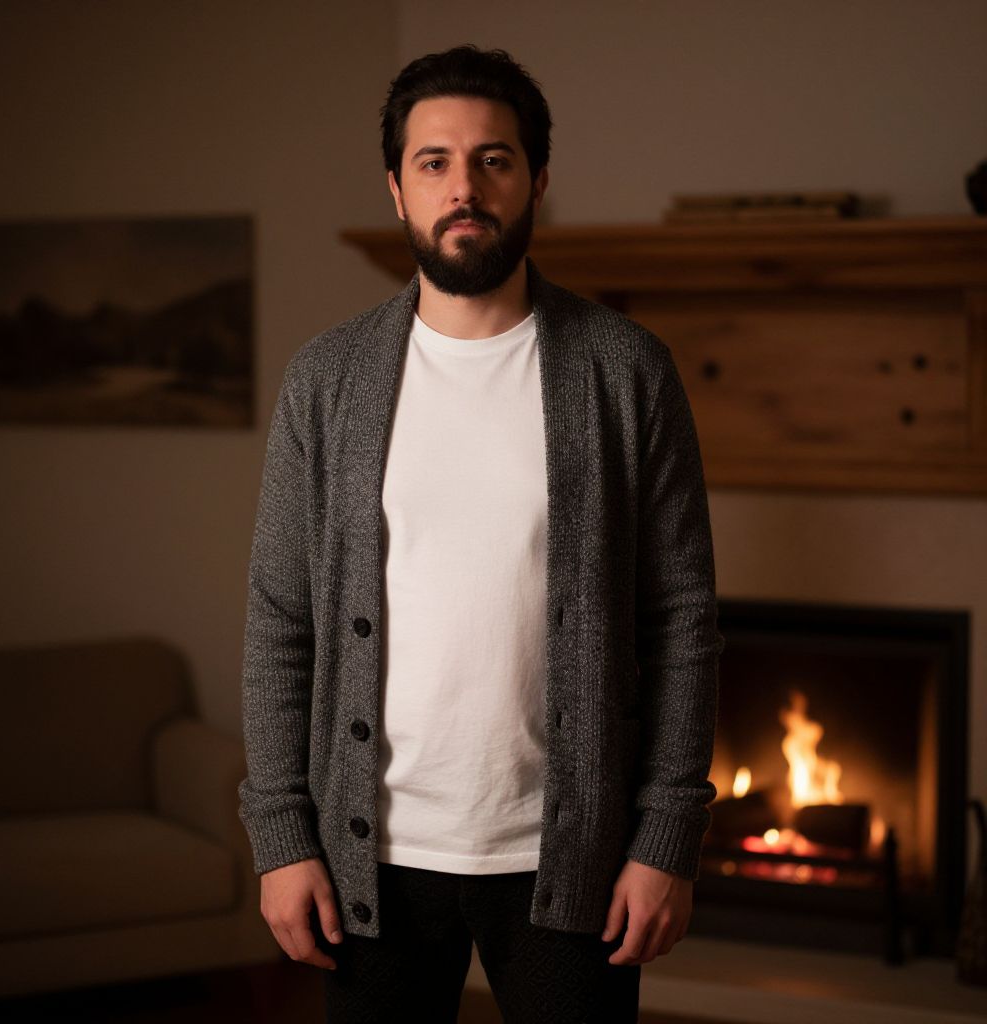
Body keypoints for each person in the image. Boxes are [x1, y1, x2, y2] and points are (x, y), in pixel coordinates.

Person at [238, 44, 721, 1024]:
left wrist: (664, 833)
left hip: (569, 858)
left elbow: (682, 619)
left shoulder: (626, 373)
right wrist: (282, 833)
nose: (464, 187)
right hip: (369, 861)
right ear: (396, 187)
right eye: (434, 162)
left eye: (493, 159)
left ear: (537, 177)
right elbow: (281, 618)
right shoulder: (325, 383)